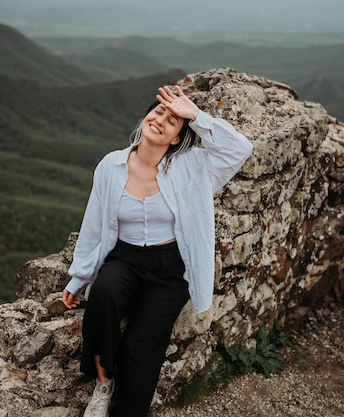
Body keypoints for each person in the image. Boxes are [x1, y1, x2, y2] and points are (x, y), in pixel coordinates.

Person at [62, 85, 253, 417]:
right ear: (146, 117)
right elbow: (94, 224)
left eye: (173, 120)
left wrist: (196, 115)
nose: (161, 120)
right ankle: (103, 384)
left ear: (177, 138)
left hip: (170, 269)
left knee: (140, 348)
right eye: (158, 112)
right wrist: (79, 278)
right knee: (103, 296)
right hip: (125, 258)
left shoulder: (193, 167)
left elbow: (240, 148)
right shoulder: (111, 166)